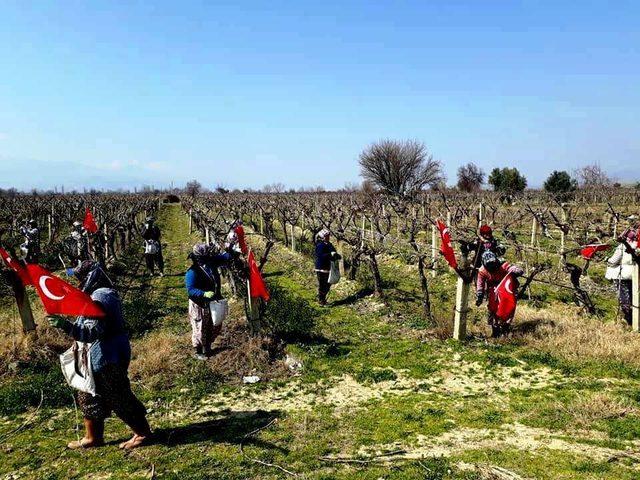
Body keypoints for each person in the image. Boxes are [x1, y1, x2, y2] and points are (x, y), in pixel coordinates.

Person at [47, 263, 151, 450]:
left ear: (91, 277)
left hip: (106, 356)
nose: (78, 282)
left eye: (80, 278)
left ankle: (142, 433)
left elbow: (93, 332)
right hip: (99, 355)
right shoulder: (98, 294)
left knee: (117, 394)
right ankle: (93, 437)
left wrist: (66, 326)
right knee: (88, 395)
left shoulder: (100, 297)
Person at [185, 243, 231, 360]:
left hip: (212, 302)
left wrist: (229, 248)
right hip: (198, 304)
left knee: (213, 324)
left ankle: (208, 346)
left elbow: (226, 258)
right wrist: (203, 293)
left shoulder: (211, 263)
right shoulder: (192, 272)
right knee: (199, 326)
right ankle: (198, 351)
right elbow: (190, 290)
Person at [475, 251, 524, 338]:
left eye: (493, 264)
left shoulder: (503, 265)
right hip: (493, 290)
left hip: (507, 289)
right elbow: (480, 283)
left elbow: (512, 268)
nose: (492, 267)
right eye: (489, 265)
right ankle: (495, 330)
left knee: (508, 308)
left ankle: (505, 328)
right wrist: (479, 295)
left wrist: (517, 270)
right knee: (492, 309)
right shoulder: (482, 271)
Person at [606, 229, 638, 325]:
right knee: (634, 297)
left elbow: (614, 261)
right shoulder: (637, 245)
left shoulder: (622, 246)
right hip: (635, 275)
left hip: (624, 275)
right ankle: (635, 318)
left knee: (624, 297)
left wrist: (607, 260)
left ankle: (628, 320)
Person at [314, 229, 340, 306]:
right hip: (321, 268)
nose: (328, 237)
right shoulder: (320, 245)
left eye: (328, 236)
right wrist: (330, 254)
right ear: (322, 237)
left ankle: (321, 298)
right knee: (323, 285)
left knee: (327, 284)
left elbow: (333, 252)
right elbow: (320, 256)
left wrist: (336, 255)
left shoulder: (329, 244)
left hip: (328, 268)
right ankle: (321, 301)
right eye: (326, 236)